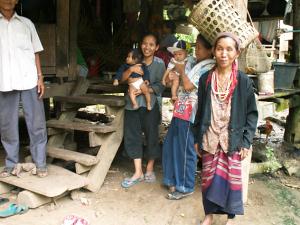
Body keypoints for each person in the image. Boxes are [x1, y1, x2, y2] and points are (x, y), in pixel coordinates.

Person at [193, 32, 258, 225]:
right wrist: (197, 137)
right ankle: (209, 215)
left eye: (229, 49)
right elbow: (199, 110)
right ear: (214, 51)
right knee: (208, 179)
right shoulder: (206, 79)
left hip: (232, 139)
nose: (224, 54)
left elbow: (251, 114)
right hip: (210, 137)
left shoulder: (243, 81)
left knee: (231, 181)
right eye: (220, 48)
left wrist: (246, 141)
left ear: (237, 53)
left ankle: (230, 217)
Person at [162, 34, 215, 200]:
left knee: (185, 150)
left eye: (199, 47)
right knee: (171, 144)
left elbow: (188, 85)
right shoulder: (193, 62)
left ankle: (185, 186)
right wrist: (172, 76)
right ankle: (171, 179)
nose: (196, 50)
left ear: (210, 50)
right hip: (181, 110)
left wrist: (180, 71)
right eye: (196, 47)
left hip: (192, 114)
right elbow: (171, 81)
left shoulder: (209, 67)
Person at [0, 0, 48, 178]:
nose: (8, 1)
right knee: (7, 126)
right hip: (4, 81)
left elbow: (35, 52)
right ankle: (11, 164)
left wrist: (40, 77)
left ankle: (40, 163)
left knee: (37, 124)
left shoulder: (27, 24)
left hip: (29, 80)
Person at [121, 33, 165, 188]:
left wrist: (147, 90)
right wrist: (130, 69)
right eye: (145, 43)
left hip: (149, 105)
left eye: (151, 44)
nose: (147, 47)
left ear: (157, 47)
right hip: (132, 105)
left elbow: (161, 85)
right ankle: (138, 171)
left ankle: (150, 168)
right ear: (141, 45)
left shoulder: (160, 64)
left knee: (152, 135)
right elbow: (121, 79)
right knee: (133, 136)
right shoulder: (133, 58)